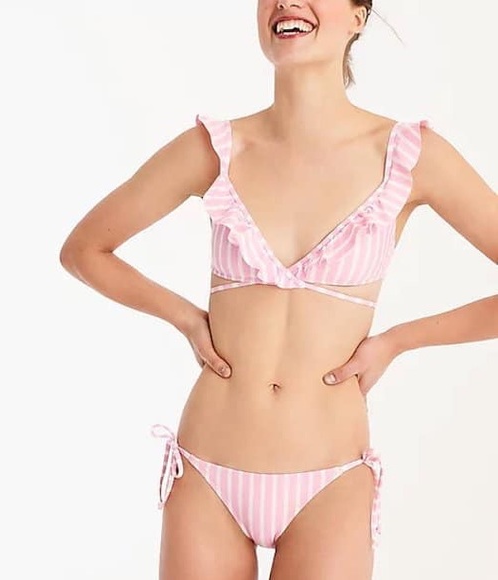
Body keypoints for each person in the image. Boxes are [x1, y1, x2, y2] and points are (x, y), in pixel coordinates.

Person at [59, 1, 498, 578]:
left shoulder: (409, 157)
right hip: (208, 468)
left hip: (330, 480)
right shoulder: (215, 148)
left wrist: (398, 341)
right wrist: (185, 317)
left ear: (359, 16)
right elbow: (84, 250)